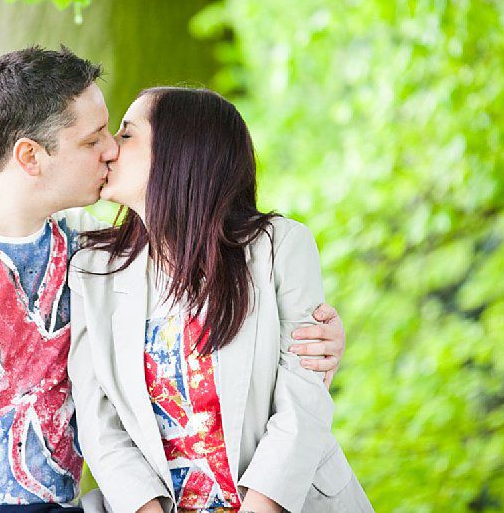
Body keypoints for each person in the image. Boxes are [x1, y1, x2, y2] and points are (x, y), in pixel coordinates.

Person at [0, 47, 347, 513]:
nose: (109, 150)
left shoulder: (86, 248)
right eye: (93, 140)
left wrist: (319, 337)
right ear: (30, 157)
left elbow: (201, 288)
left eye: (115, 132)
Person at [68, 87, 371, 513]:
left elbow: (303, 401)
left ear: (181, 152)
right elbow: (99, 423)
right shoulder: (92, 271)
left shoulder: (279, 247)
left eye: (128, 134)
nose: (111, 149)